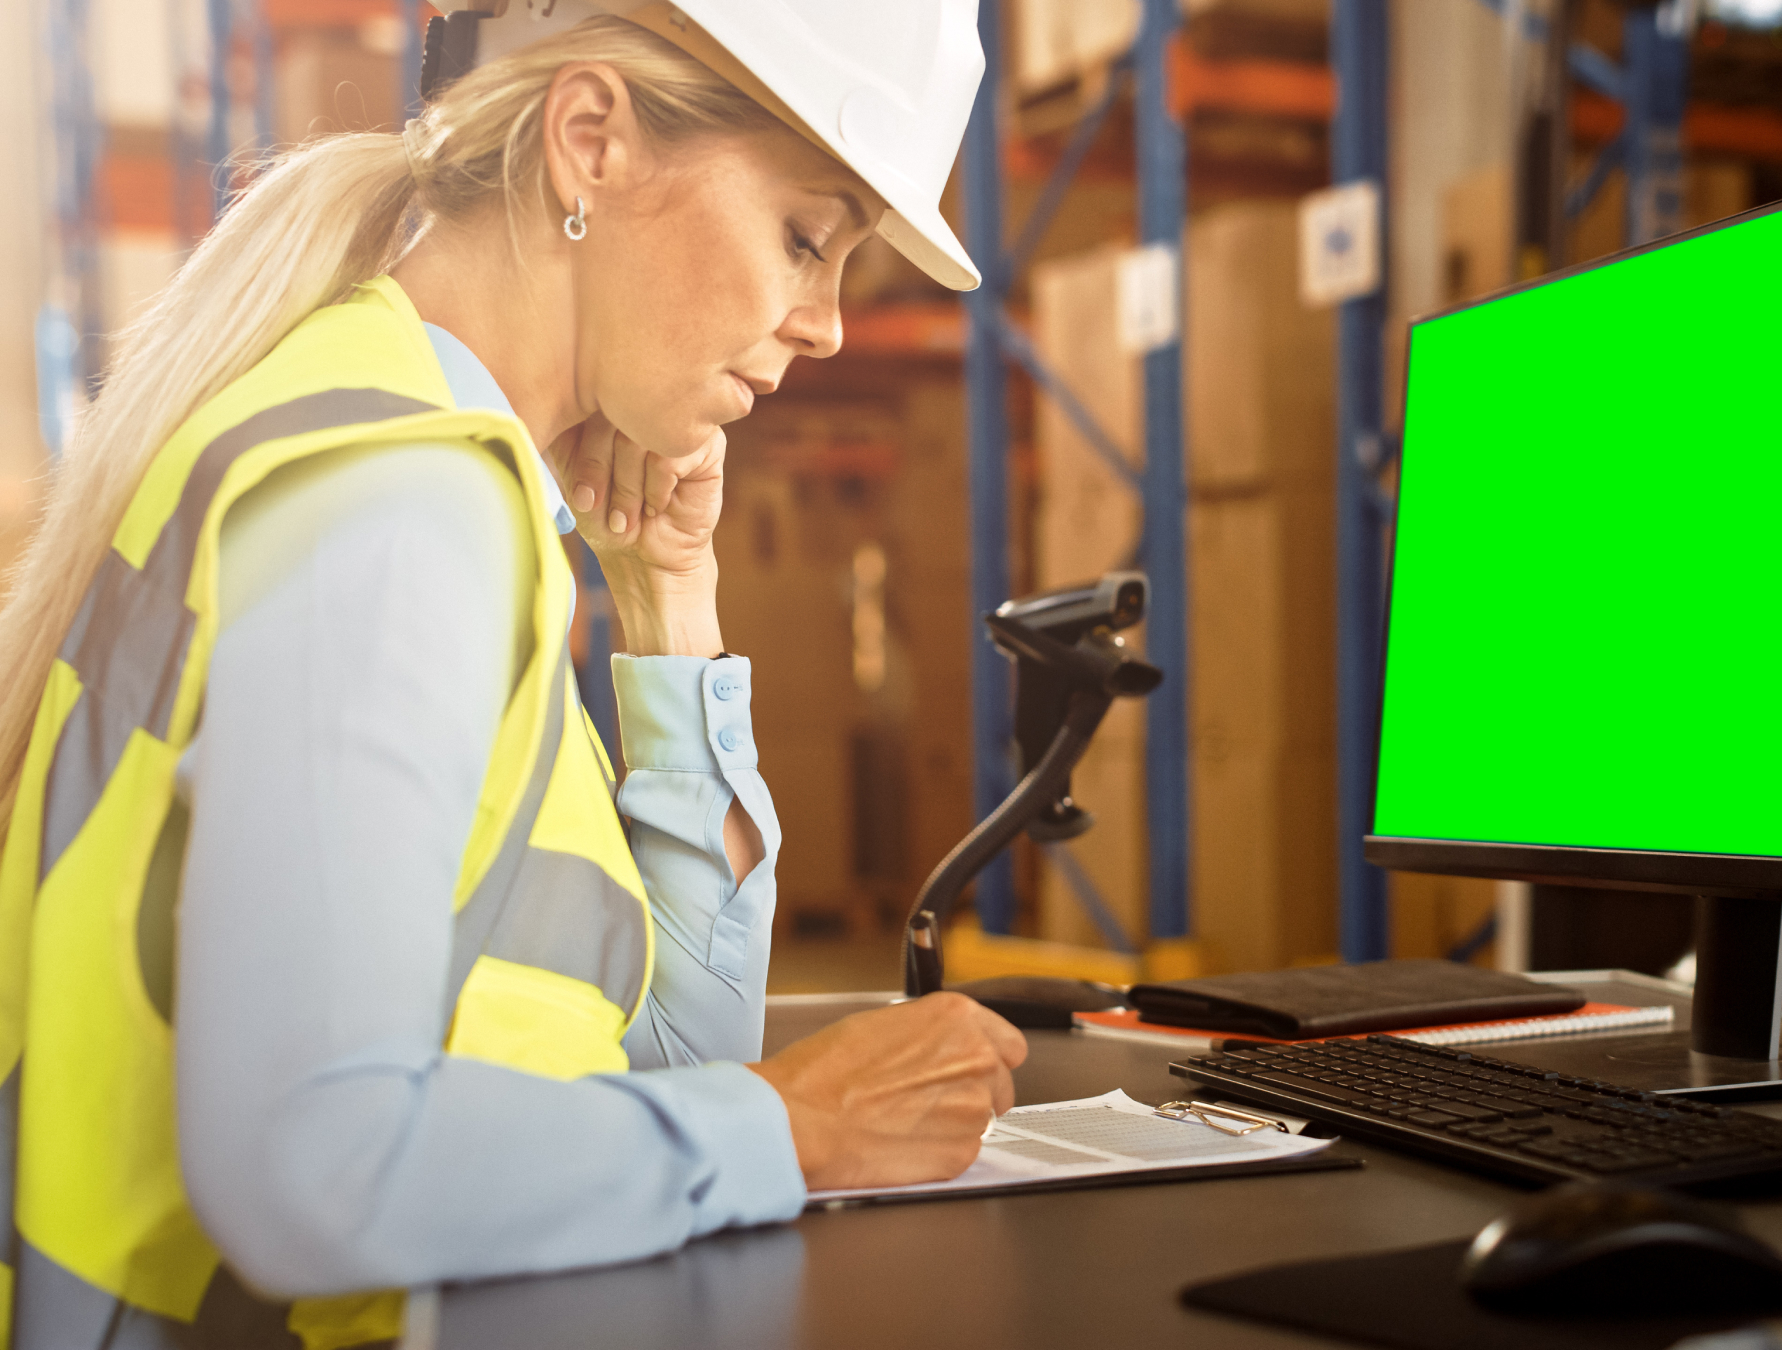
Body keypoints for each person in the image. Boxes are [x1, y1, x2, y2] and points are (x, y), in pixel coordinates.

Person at [0, 2, 1026, 1343]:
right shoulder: (398, 503)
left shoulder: (432, 470)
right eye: (804, 238)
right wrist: (798, 1121)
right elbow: (310, 1164)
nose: (827, 325)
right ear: (590, 141)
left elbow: (654, 1063)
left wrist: (667, 593)